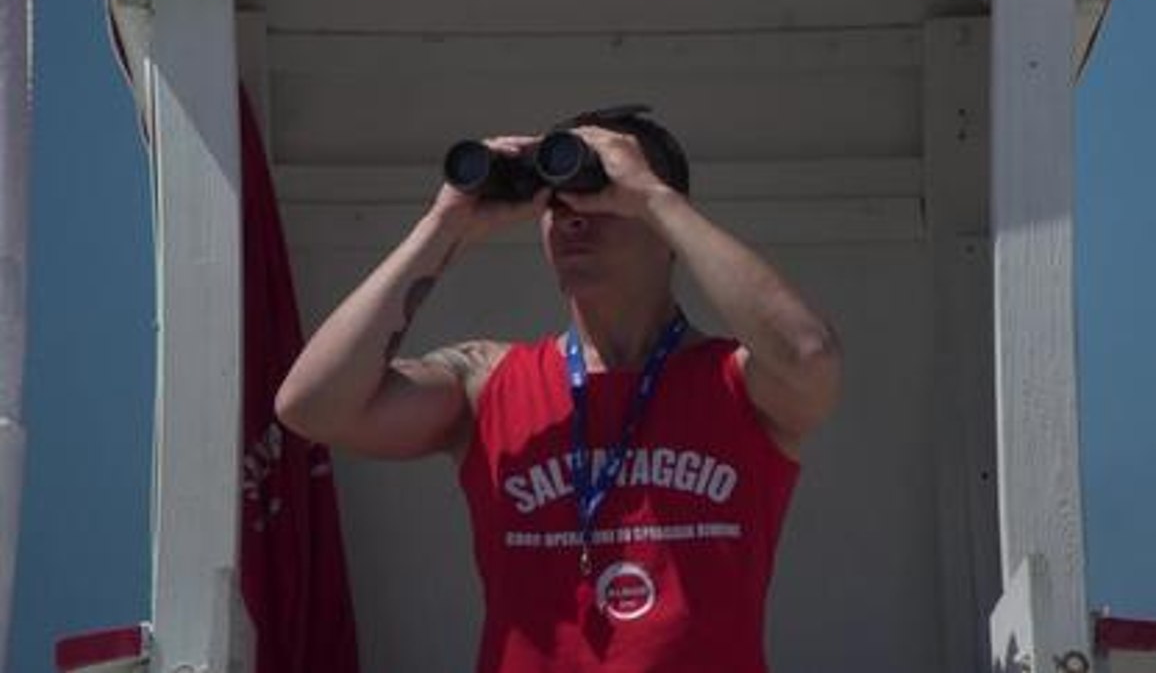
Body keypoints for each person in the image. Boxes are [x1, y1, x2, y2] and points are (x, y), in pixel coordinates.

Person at [275, 107, 843, 673]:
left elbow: (809, 354)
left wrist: (653, 196)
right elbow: (310, 407)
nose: (572, 220)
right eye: (557, 205)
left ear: (666, 224)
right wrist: (443, 227)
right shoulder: (486, 381)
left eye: (601, 198)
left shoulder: (738, 383)